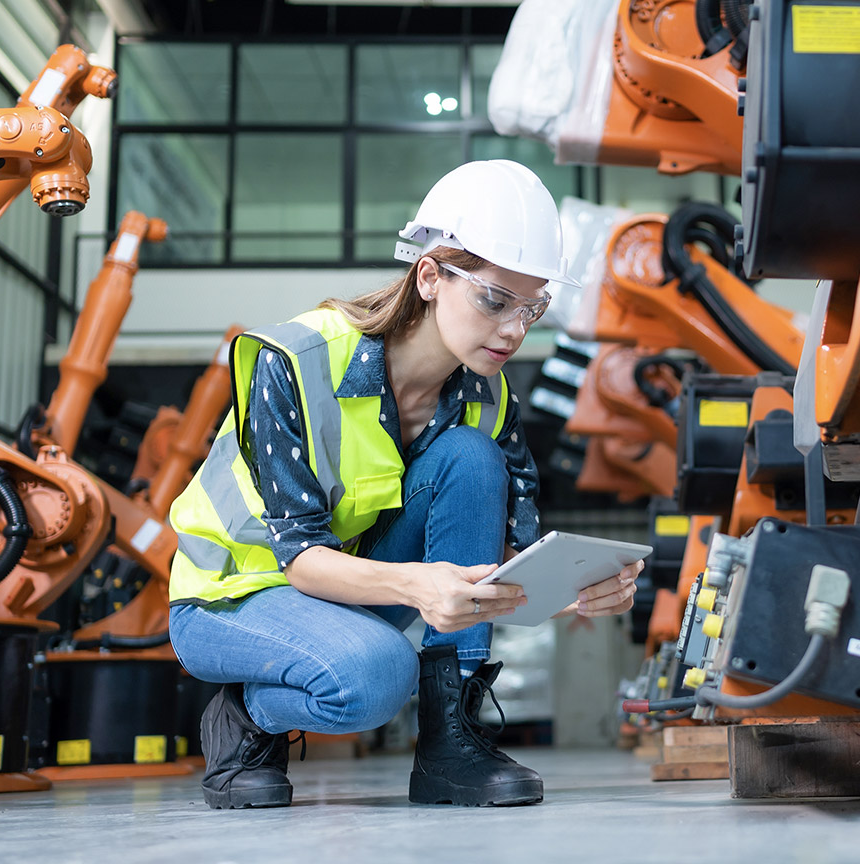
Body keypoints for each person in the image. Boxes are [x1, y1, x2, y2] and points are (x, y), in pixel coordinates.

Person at [166, 160, 641, 810]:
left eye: (532, 308)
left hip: (349, 588)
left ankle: (451, 743)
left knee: (472, 457)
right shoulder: (295, 362)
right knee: (376, 676)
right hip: (229, 598)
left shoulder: (488, 398)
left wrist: (571, 590)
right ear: (429, 275)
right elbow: (299, 557)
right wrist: (417, 584)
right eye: (494, 300)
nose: (513, 330)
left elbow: (497, 568)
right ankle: (249, 716)